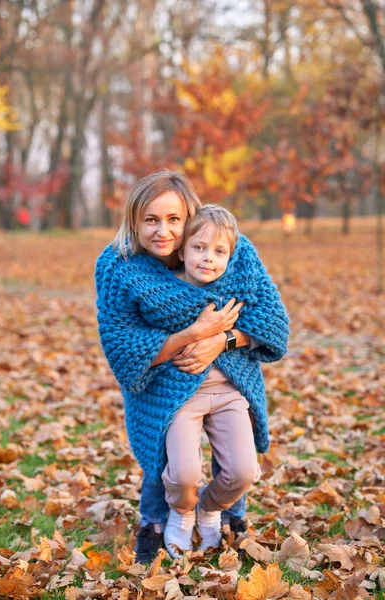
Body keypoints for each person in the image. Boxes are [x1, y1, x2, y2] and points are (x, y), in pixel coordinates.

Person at [95, 170, 289, 562]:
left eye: (174, 219)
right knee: (170, 459)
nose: (163, 231)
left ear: (190, 217)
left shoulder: (227, 247)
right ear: (134, 220)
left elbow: (273, 320)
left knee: (238, 459)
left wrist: (223, 339)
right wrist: (195, 332)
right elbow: (122, 348)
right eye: (150, 219)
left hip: (231, 376)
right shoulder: (118, 265)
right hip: (163, 380)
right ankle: (155, 521)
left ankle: (228, 515)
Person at [161, 204, 262, 557]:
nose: (208, 258)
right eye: (199, 248)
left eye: (219, 251)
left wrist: (226, 336)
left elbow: (272, 327)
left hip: (228, 393)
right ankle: (182, 510)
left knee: (244, 470)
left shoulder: (238, 289)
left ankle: (209, 507)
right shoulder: (161, 292)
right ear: (183, 249)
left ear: (231, 256)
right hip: (181, 395)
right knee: (184, 475)